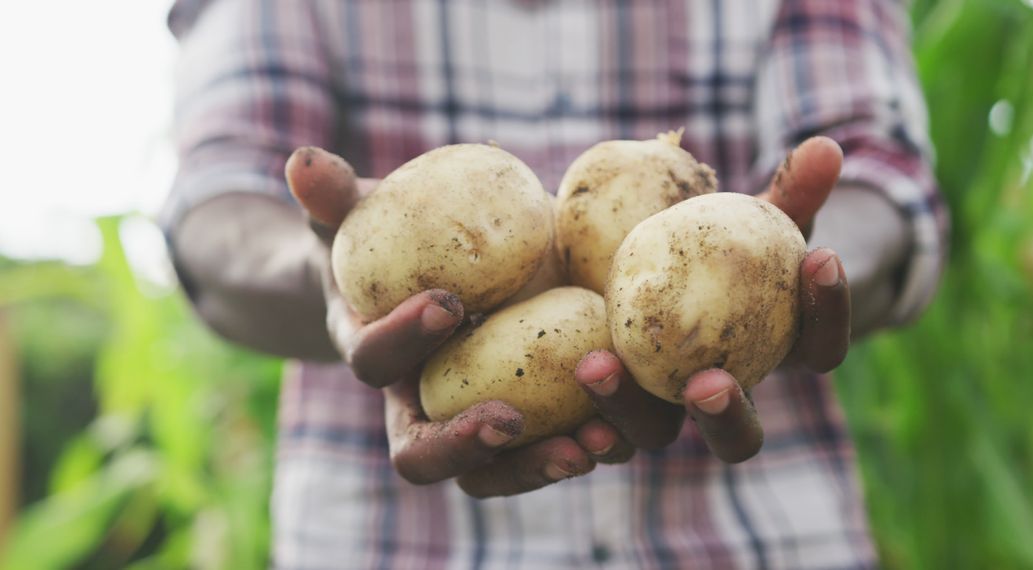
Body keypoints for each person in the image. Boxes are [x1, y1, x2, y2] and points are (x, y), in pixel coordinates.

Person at [163, 0, 947, 567]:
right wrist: (330, 280)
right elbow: (218, 209)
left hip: (764, 535)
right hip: (382, 541)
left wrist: (799, 271)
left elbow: (882, 181)